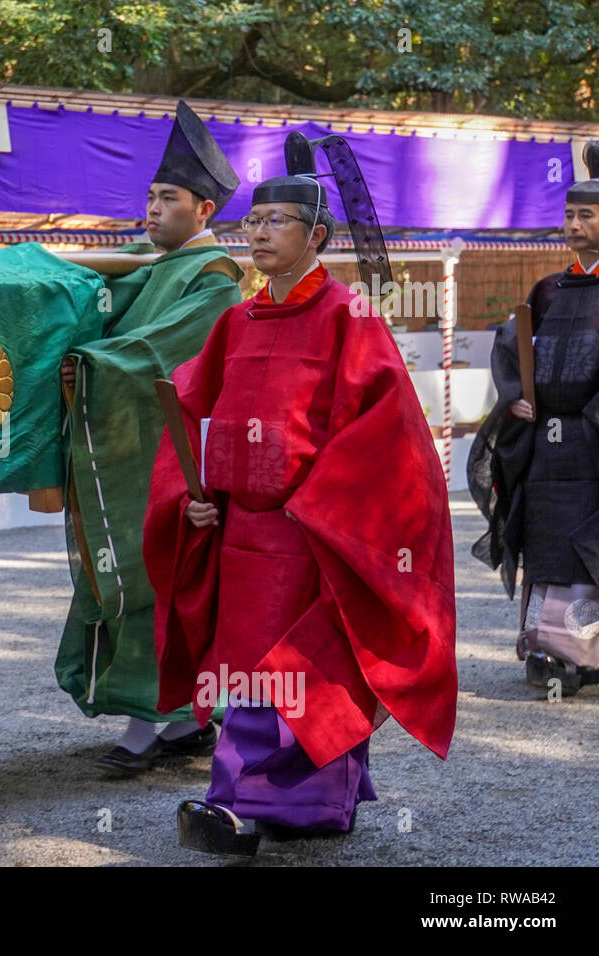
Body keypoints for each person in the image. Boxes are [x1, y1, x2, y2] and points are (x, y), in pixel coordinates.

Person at [142, 132, 457, 855]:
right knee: (248, 670)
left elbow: (388, 433)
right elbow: (187, 404)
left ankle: (237, 805)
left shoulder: (351, 317)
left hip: (311, 532)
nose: (258, 233)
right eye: (252, 222)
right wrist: (194, 495)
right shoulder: (237, 320)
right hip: (242, 535)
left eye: (275, 221)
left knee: (297, 671)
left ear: (316, 235)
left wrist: (325, 505)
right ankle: (309, 807)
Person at [54, 101, 242, 778]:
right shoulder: (147, 266)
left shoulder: (214, 280)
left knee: (157, 580)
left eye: (168, 198)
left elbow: (164, 354)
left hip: (174, 461)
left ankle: (155, 721)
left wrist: (94, 362)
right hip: (130, 451)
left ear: (205, 210)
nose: (153, 210)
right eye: (150, 197)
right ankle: (178, 719)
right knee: (133, 576)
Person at [469, 141, 599, 696]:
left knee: (589, 543)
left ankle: (585, 653)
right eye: (569, 214)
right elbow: (513, 346)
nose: (573, 224)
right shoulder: (549, 288)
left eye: (586, 215)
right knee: (544, 539)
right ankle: (544, 649)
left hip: (597, 444)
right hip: (544, 442)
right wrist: (515, 399)